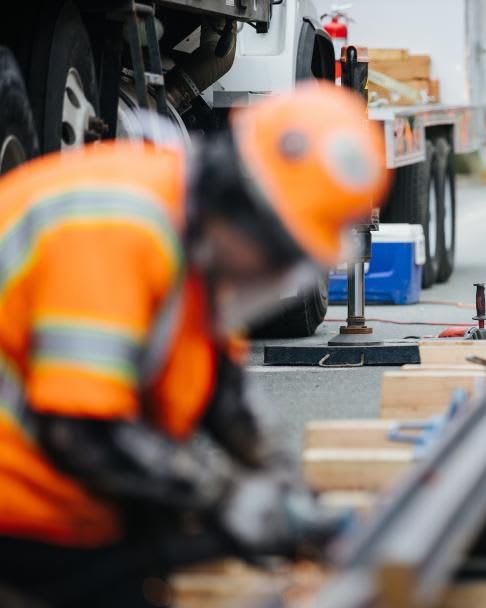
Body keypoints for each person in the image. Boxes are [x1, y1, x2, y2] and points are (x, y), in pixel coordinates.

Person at [0, 82, 389, 607]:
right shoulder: (119, 225)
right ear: (238, 201)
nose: (273, 273)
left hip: (55, 499)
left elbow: (224, 396)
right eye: (276, 252)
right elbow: (84, 430)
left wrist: (284, 486)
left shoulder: (196, 243)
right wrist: (228, 497)